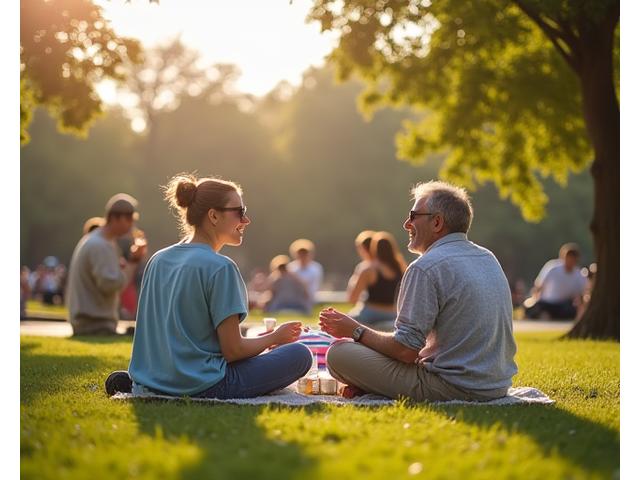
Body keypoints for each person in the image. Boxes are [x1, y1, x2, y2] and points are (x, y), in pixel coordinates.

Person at [109, 174, 312, 398]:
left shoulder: (157, 260)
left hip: (151, 380)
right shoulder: (221, 267)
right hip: (206, 384)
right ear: (214, 216)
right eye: (240, 212)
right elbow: (233, 350)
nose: (246, 220)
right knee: (299, 354)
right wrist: (275, 337)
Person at [319, 181, 517, 402]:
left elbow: (406, 351)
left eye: (413, 216)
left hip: (453, 387)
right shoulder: (487, 257)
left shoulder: (425, 267)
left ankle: (369, 382)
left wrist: (355, 330)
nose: (406, 224)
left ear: (437, 222)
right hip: (495, 386)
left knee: (338, 353)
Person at [66, 193, 145, 336]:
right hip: (93, 325)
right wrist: (133, 262)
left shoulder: (101, 241)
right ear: (115, 218)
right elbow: (110, 286)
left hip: (90, 323)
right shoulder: (101, 245)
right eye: (129, 219)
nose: (132, 225)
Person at [347, 231, 407, 330]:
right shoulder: (402, 269)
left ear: (374, 248)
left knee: (344, 321)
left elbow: (352, 298)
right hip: (393, 314)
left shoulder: (368, 269)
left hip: (369, 314)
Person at [523, 243, 588, 320]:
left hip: (563, 305)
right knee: (531, 308)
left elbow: (582, 295)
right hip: (546, 302)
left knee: (570, 310)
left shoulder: (579, 275)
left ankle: (549, 316)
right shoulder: (553, 268)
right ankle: (545, 314)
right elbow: (539, 285)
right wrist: (534, 299)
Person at [288, 239, 323, 304]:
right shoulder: (291, 267)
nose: (302, 256)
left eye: (304, 253)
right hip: (292, 297)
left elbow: (313, 287)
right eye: (300, 254)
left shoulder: (316, 268)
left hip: (308, 298)